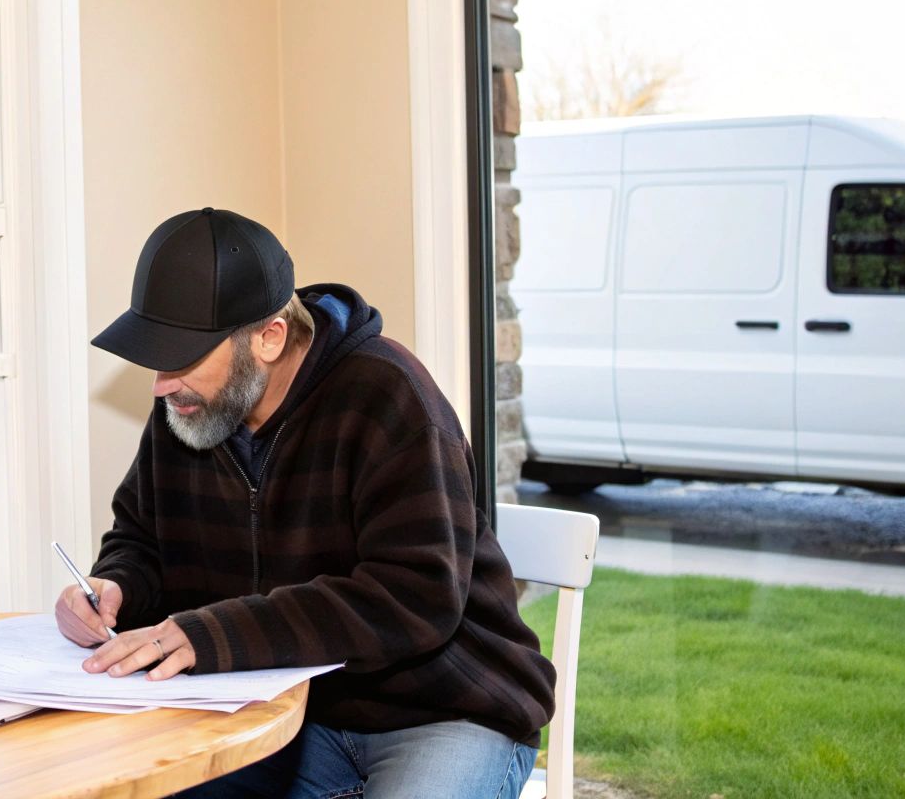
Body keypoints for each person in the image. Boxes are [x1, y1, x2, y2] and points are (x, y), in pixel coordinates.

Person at [56, 207, 554, 799]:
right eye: (157, 359)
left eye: (184, 357)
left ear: (268, 336)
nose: (163, 384)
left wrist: (214, 633)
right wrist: (113, 588)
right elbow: (140, 541)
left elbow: (414, 596)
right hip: (275, 712)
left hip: (443, 711)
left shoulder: (389, 397)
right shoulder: (190, 411)